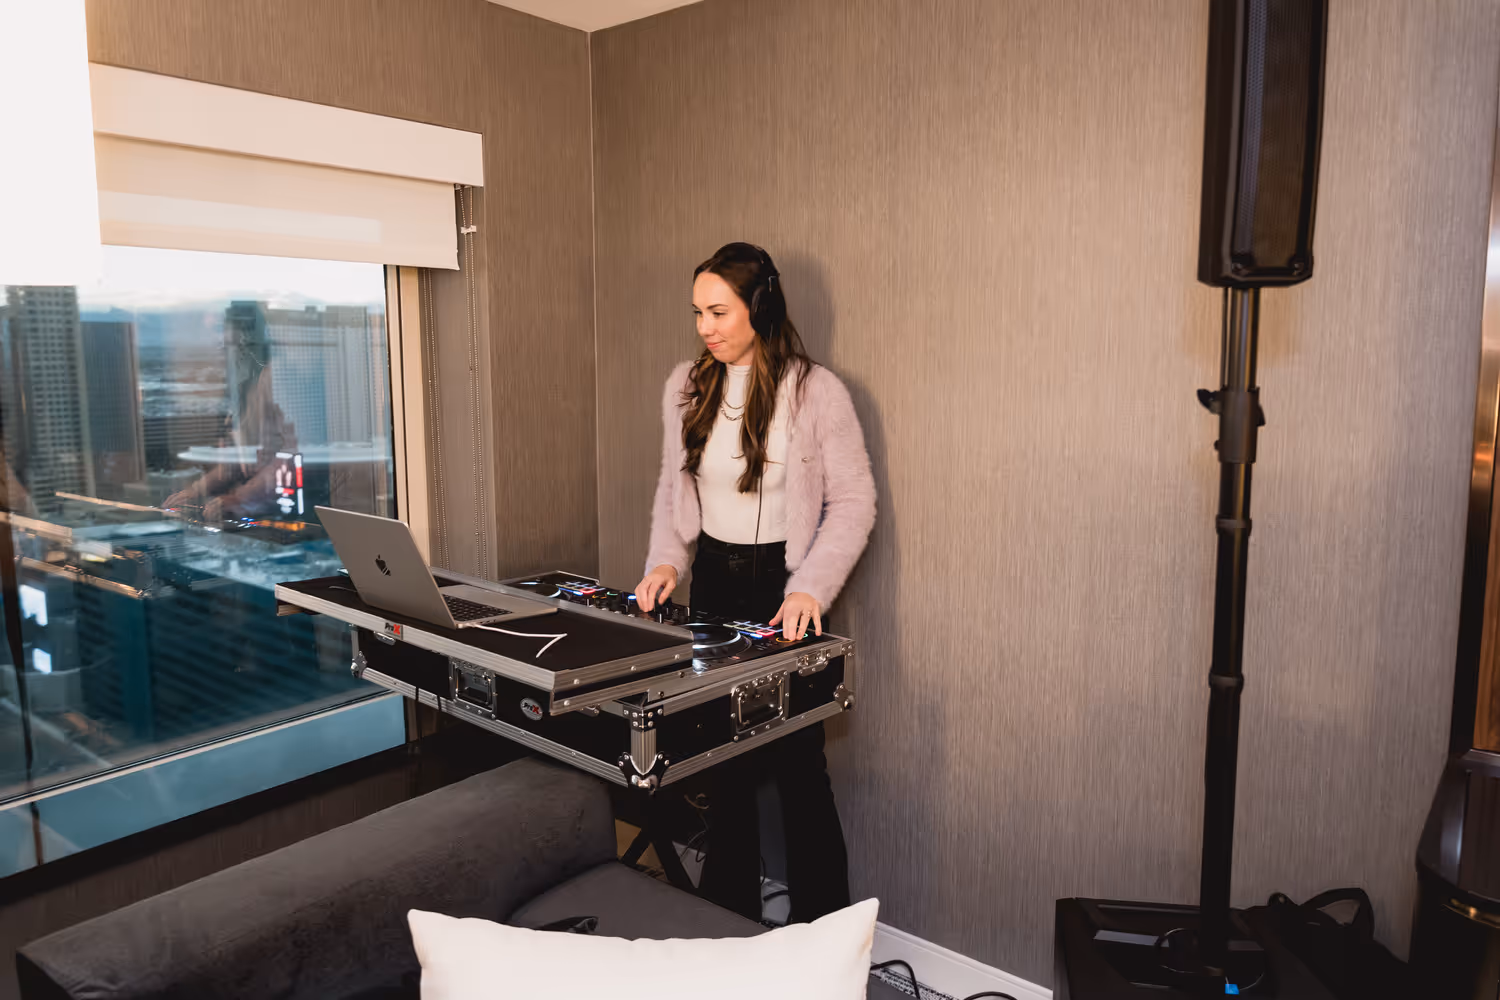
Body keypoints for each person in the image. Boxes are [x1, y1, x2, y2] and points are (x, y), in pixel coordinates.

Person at [635, 242, 876, 923]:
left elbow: (854, 502)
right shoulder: (686, 386)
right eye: (697, 313)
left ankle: (827, 936)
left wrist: (810, 589)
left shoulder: (817, 392)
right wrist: (666, 562)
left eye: (718, 311)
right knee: (722, 765)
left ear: (759, 308)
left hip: (785, 589)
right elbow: (673, 489)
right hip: (713, 580)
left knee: (800, 770)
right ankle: (729, 926)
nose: (705, 327)